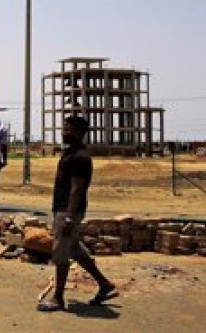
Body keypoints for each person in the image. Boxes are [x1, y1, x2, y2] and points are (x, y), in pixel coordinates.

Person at [37, 115, 117, 312]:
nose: (64, 133)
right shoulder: (69, 153)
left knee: (61, 253)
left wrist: (69, 218)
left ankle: (57, 298)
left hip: (69, 210)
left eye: (68, 129)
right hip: (64, 209)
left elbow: (77, 189)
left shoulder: (80, 157)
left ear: (80, 133)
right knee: (74, 249)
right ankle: (105, 284)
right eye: (64, 129)